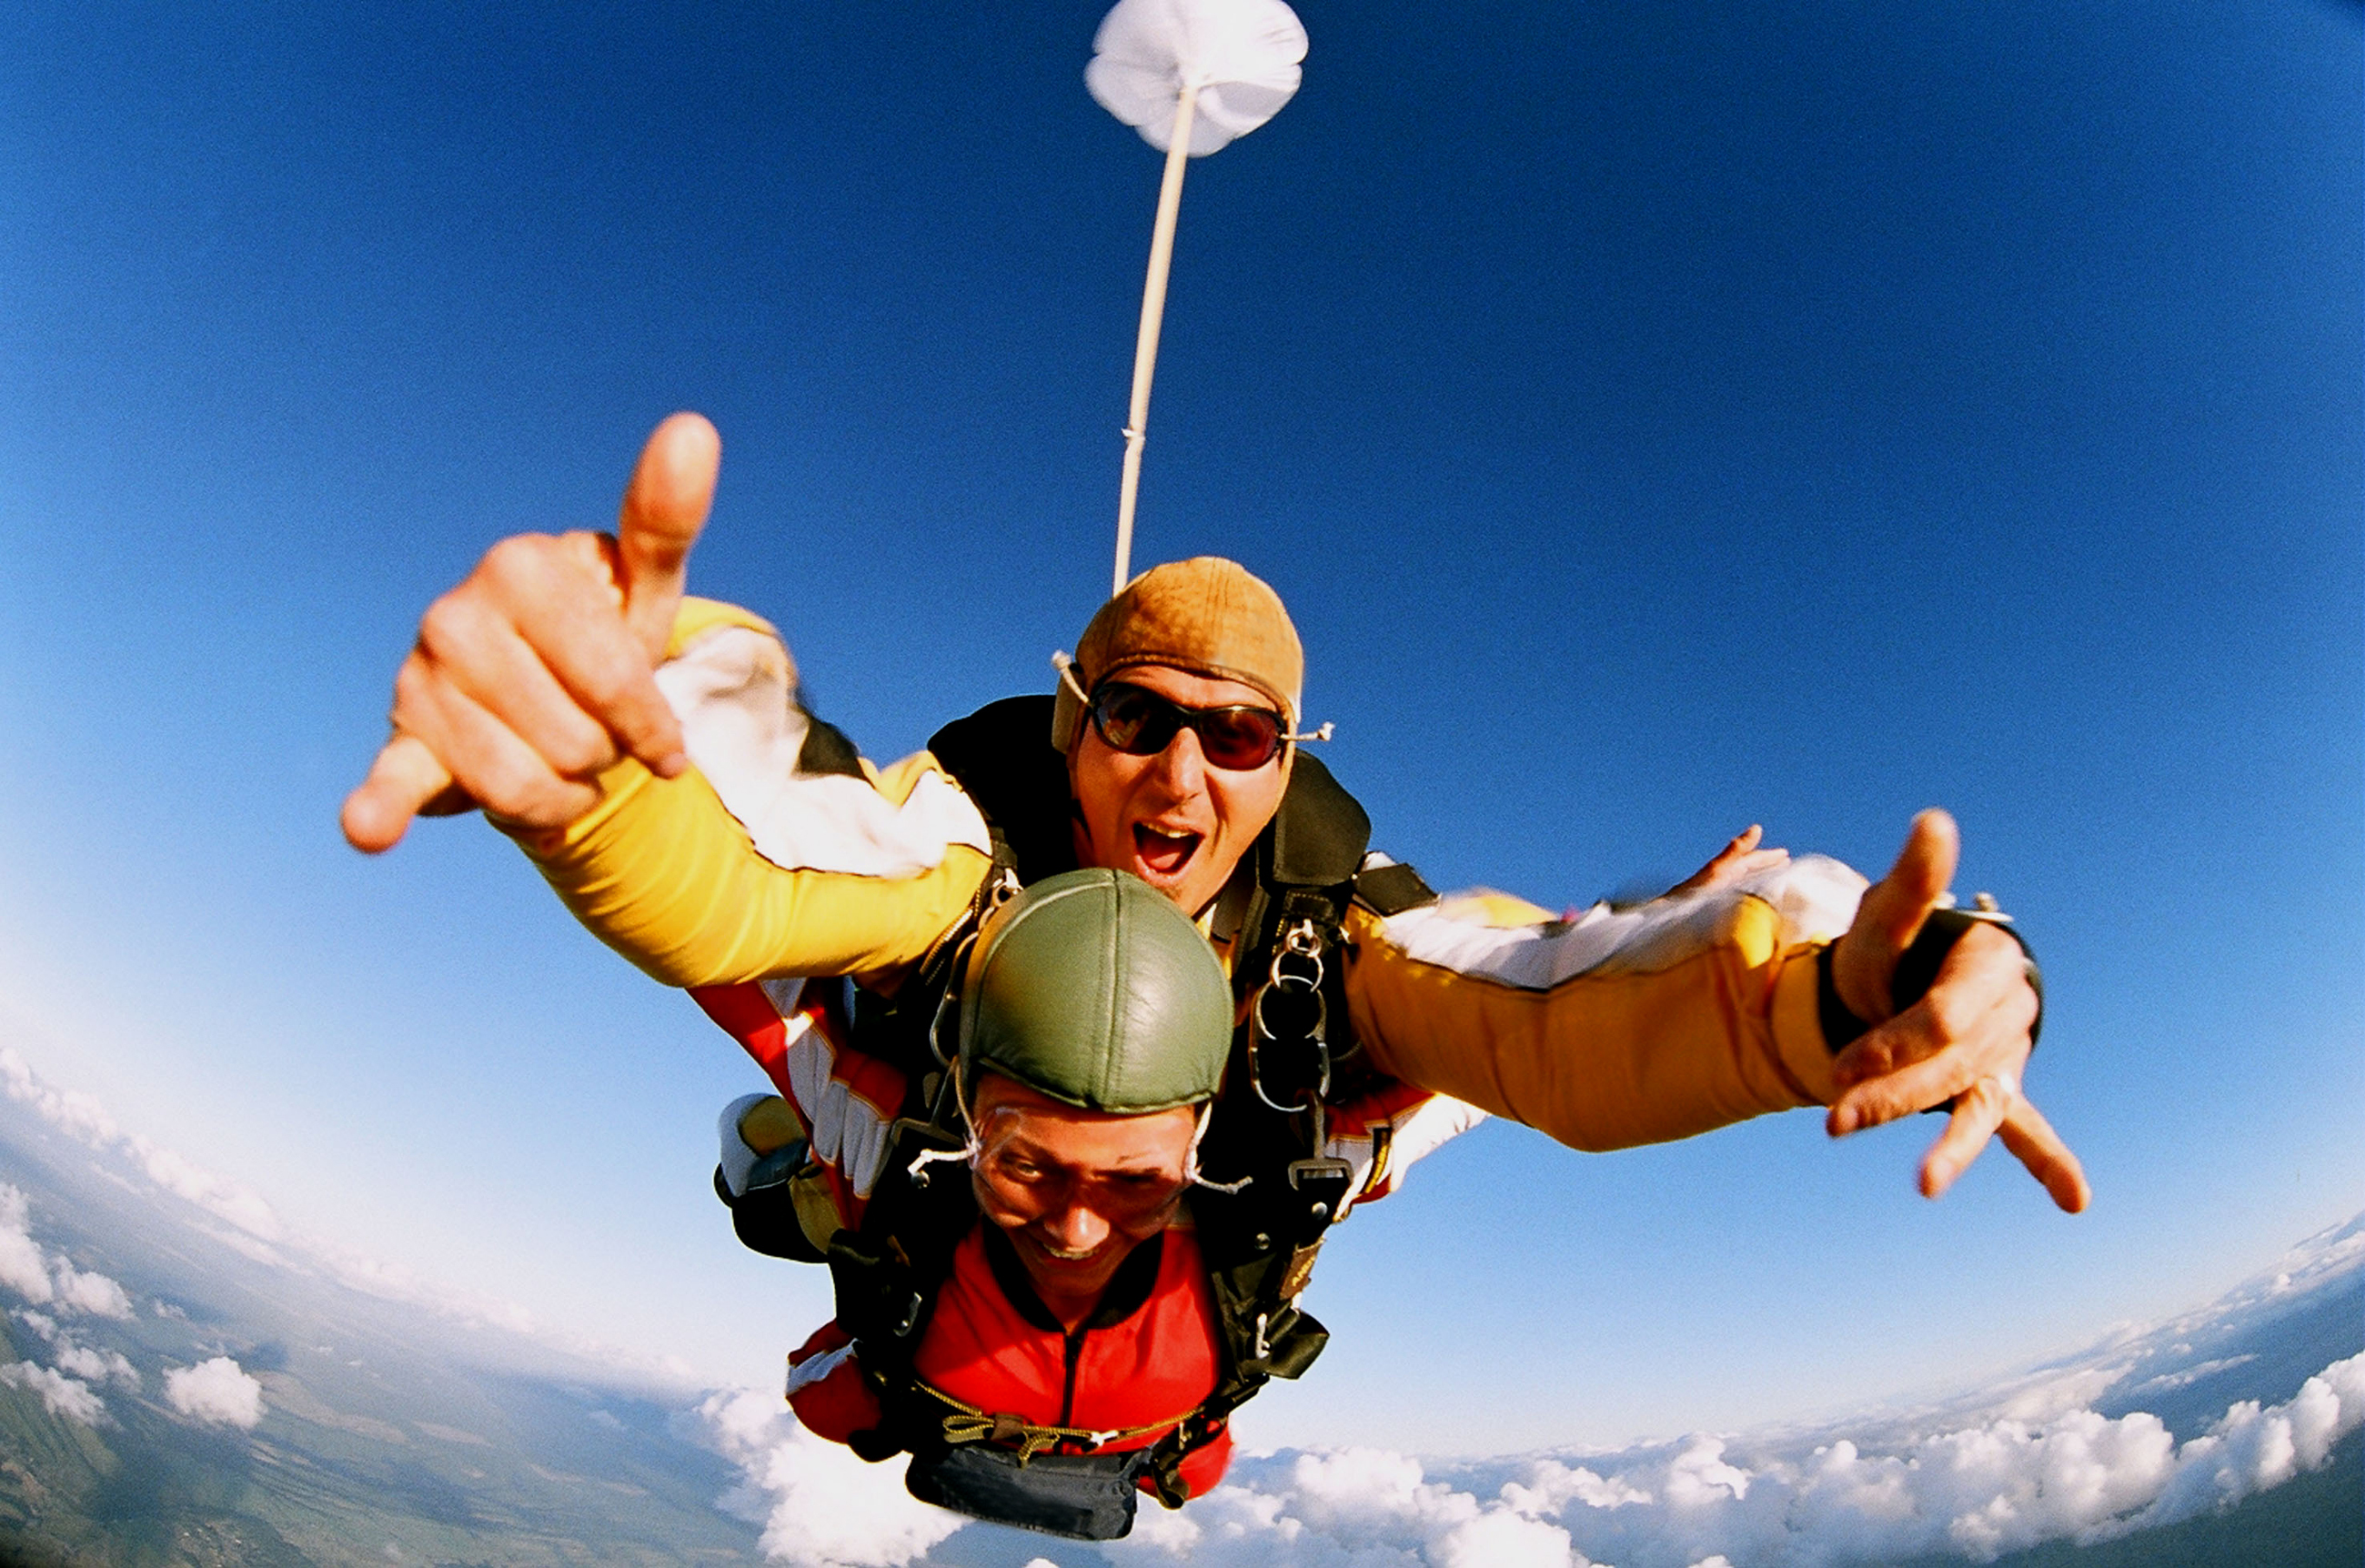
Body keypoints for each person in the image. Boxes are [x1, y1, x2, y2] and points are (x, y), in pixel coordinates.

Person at [343, 412, 2088, 1220]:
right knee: (804, 1044)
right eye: (1138, 717)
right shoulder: (976, 830)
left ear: (1290, 754)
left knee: (1405, 1102)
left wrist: (1838, 982)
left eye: (1242, 738)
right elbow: (772, 865)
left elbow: (1542, 1017)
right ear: (1070, 721)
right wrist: (612, 755)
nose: (1184, 775)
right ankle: (773, 1163)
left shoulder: (1331, 908)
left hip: (1238, 1173)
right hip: (937, 1145)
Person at [723, 865, 1303, 1539]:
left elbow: (737, 956)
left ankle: (811, 1180)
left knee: (755, 1173)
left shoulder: (885, 1147)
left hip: (887, 1214)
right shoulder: (1222, 1306)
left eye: (1128, 1178)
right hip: (957, 1355)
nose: (1076, 1231)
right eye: (1032, 1165)